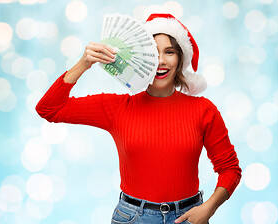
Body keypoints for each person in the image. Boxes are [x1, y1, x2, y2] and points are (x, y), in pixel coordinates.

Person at [36, 13, 242, 224]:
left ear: (180, 59)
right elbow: (49, 109)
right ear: (141, 57)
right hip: (133, 218)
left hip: (189, 216)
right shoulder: (117, 108)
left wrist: (209, 208)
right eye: (153, 53)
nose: (160, 61)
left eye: (169, 52)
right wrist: (83, 63)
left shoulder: (203, 110)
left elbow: (230, 169)